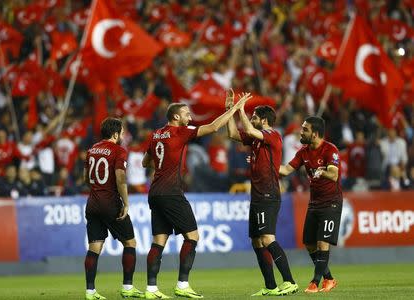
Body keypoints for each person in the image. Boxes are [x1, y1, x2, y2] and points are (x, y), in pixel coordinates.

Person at [141, 93, 252, 299]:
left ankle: (151, 289)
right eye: (185, 114)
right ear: (175, 117)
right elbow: (213, 127)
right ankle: (182, 285)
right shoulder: (180, 132)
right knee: (193, 237)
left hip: (155, 192)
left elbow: (145, 162)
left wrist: (163, 162)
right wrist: (234, 109)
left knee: (158, 242)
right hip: (171, 192)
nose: (189, 117)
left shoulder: (156, 134)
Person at [225, 90, 298, 296]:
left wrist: (240, 109)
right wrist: (230, 109)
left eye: (254, 116)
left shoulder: (272, 135)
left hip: (268, 193)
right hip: (257, 196)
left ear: (264, 120)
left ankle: (290, 281)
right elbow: (232, 134)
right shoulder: (256, 139)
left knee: (267, 238)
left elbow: (247, 127)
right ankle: (270, 286)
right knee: (257, 241)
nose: (251, 119)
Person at [279, 116, 341, 293]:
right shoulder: (303, 152)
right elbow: (286, 170)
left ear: (315, 134)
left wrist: (323, 171)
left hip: (331, 203)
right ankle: (329, 278)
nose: (301, 131)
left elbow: (334, 175)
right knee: (309, 243)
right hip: (314, 203)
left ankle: (315, 282)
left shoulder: (330, 150)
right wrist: (266, 165)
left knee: (323, 243)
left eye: (305, 129)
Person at [83, 118, 143, 300]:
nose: (123, 135)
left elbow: (86, 178)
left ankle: (90, 292)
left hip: (92, 203)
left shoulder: (92, 149)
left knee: (94, 247)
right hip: (110, 204)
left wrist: (96, 189)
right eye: (122, 132)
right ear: (115, 134)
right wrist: (126, 203)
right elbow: (120, 178)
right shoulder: (119, 150)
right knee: (130, 243)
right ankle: (127, 287)